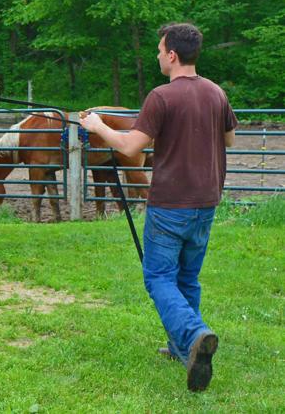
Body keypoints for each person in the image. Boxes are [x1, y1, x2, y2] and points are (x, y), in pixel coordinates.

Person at [80, 22, 236, 392]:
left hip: (170, 204)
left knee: (159, 278)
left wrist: (97, 124)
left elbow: (130, 147)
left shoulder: (161, 97)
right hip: (206, 202)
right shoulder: (217, 94)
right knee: (187, 278)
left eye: (159, 49)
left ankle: (195, 332)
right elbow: (229, 138)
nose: (156, 55)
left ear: (172, 55)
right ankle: (187, 349)